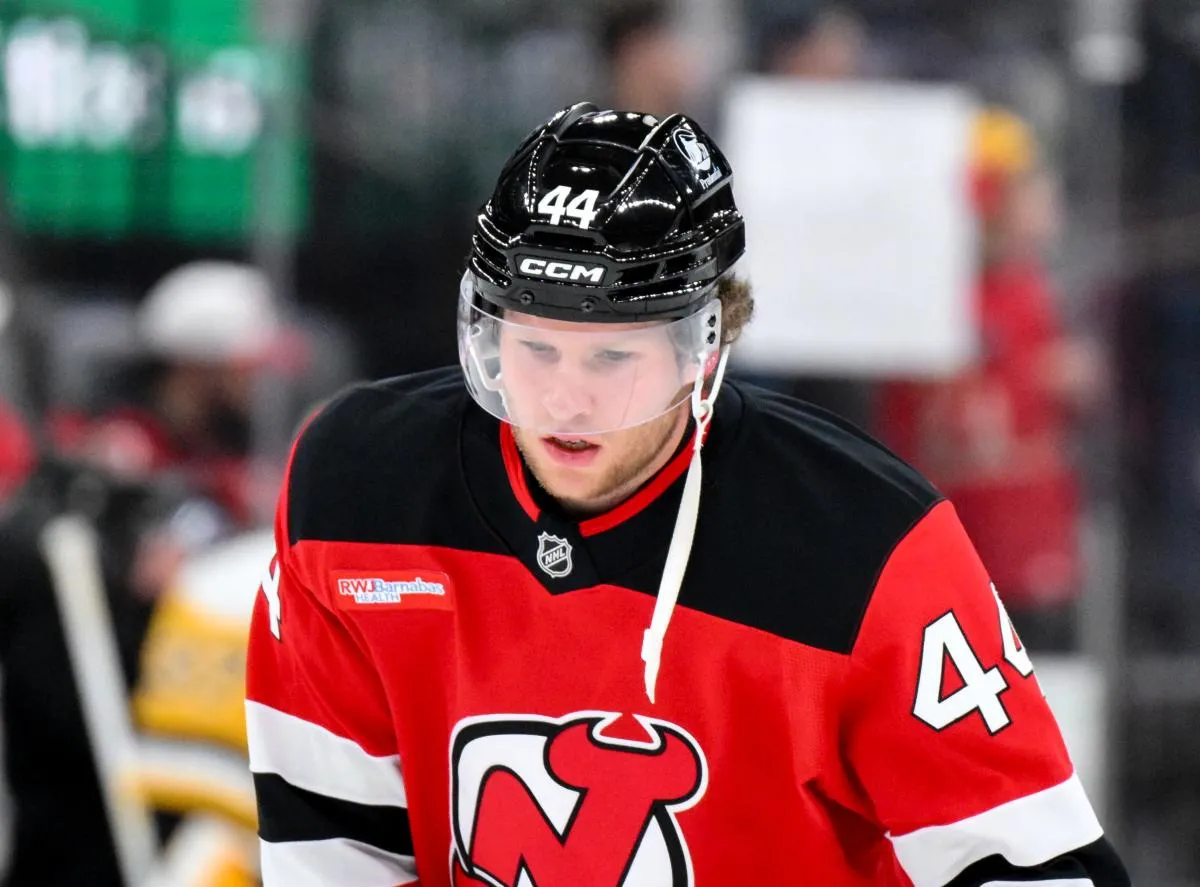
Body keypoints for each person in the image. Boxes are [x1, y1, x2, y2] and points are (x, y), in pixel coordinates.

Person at [245, 103, 1129, 885]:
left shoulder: (866, 545)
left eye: (613, 358)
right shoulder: (356, 494)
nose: (566, 398)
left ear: (706, 346)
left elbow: (1030, 864)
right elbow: (334, 846)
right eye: (535, 348)